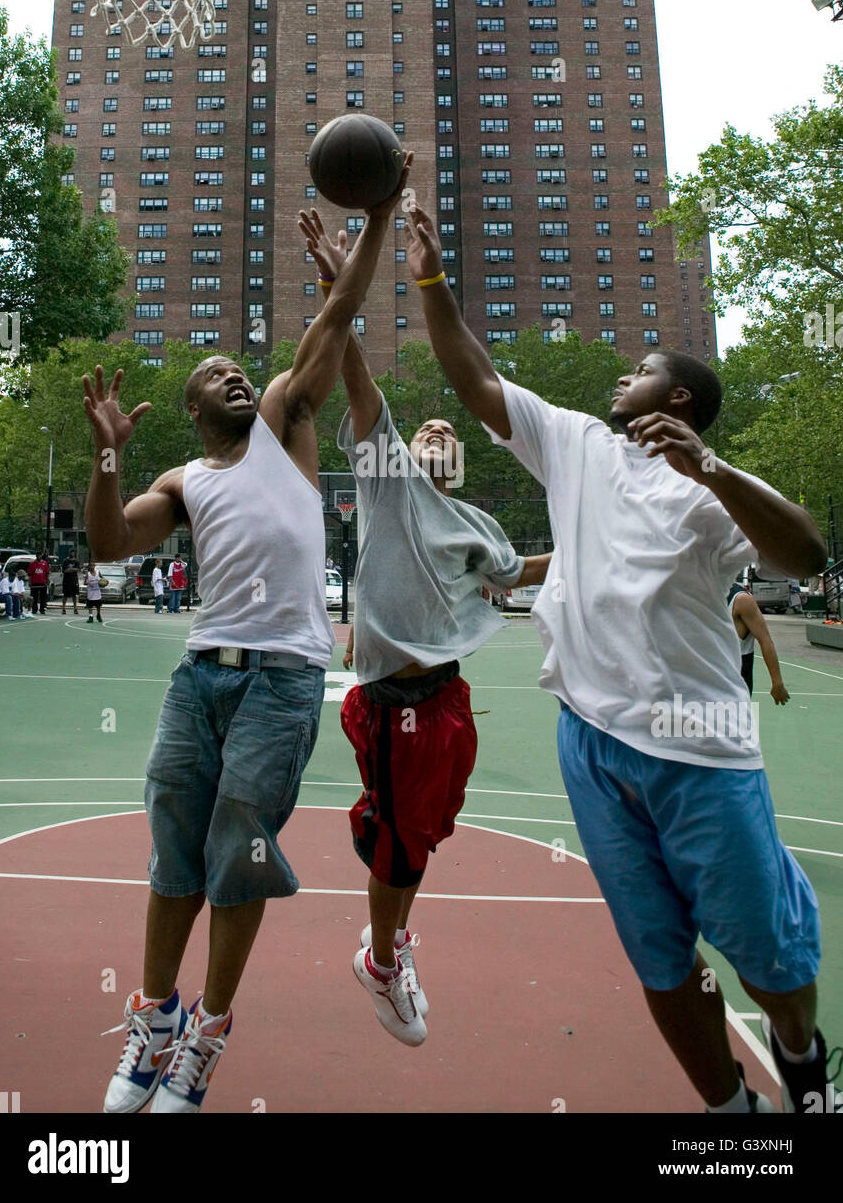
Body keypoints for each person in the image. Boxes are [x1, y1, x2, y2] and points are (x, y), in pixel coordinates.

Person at [407, 198, 838, 1116]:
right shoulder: (577, 446)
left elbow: (806, 555)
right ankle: (733, 1117)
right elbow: (477, 378)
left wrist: (713, 469)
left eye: (641, 371)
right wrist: (431, 279)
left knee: (763, 953)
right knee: (658, 954)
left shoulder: (712, 491)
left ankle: (800, 1059)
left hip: (699, 741)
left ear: (677, 398)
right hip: (591, 739)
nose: (621, 376)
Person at [86, 152, 411, 1115]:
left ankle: (208, 1036)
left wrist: (378, 218)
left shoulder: (282, 421)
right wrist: (107, 462)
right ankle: (153, 1020)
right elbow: (109, 544)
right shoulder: (185, 481)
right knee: (172, 854)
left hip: (279, 682)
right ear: (190, 410)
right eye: (214, 376)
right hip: (200, 679)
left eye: (238, 369)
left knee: (238, 851)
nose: (235, 377)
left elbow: (337, 320)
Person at [299, 208, 551, 1047]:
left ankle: (393, 935)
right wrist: (340, 286)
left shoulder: (479, 526)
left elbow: (519, 575)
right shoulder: (388, 480)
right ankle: (378, 960)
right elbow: (361, 389)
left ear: (465, 460)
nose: (435, 433)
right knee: (400, 843)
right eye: (427, 429)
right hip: (392, 696)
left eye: (449, 431)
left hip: (448, 701)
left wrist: (594, 544)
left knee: (425, 836)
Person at [727, 581, 789, 701]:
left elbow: (765, 640)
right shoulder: (703, 597)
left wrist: (777, 682)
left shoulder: (741, 600)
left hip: (734, 682)